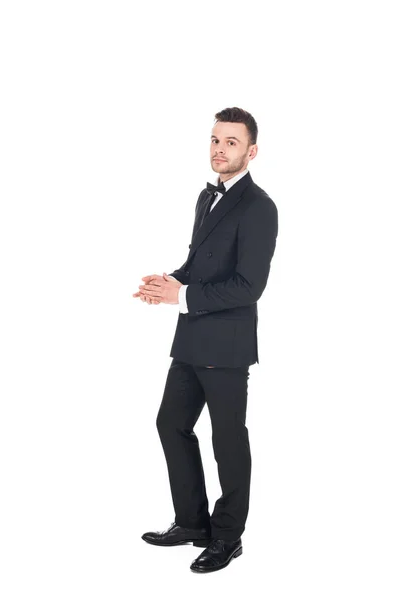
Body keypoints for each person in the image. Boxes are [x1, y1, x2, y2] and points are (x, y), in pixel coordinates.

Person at [132, 107, 278, 573]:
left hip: (228, 347)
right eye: (215, 140)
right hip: (191, 338)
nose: (219, 149)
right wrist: (169, 281)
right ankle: (192, 523)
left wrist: (185, 294)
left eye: (231, 142)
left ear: (251, 151)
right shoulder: (204, 197)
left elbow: (248, 286)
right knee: (170, 424)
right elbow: (198, 265)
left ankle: (228, 536)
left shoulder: (260, 207)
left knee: (228, 441)